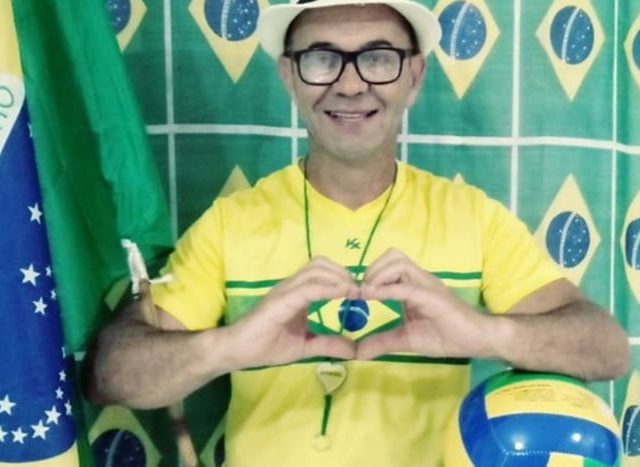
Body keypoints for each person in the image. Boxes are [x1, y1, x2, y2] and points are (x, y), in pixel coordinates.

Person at [84, 0, 630, 465]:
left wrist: (481, 334)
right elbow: (110, 377)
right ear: (289, 76)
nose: (349, 84)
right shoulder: (232, 222)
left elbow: (606, 351)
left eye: (378, 58)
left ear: (414, 76)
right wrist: (227, 347)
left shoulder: (473, 217)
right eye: (322, 59)